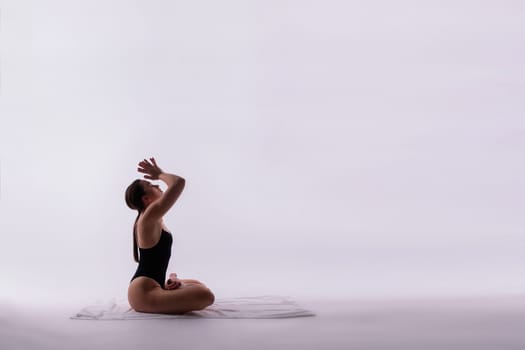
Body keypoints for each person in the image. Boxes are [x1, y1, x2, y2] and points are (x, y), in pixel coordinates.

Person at [125, 157, 215, 314]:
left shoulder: (151, 218)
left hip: (153, 286)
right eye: (152, 185)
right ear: (146, 199)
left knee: (197, 284)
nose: (158, 185)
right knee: (206, 296)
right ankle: (170, 283)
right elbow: (179, 182)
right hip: (143, 293)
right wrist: (159, 174)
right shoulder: (148, 216)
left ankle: (171, 281)